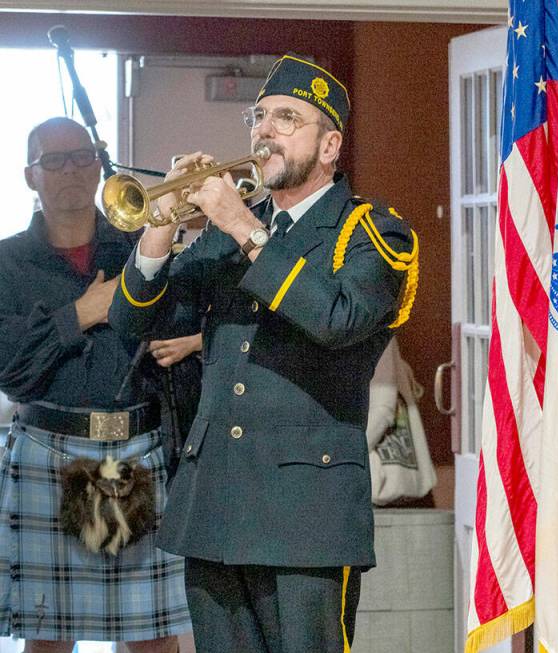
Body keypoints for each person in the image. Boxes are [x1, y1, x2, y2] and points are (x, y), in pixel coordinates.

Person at [109, 55, 419, 653]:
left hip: (308, 514)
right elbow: (133, 322)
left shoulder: (371, 233)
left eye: (286, 118)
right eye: (259, 116)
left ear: (330, 146)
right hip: (215, 504)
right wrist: (161, 226)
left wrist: (243, 230)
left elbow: (336, 318)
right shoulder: (232, 230)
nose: (264, 130)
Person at [0, 117, 192, 653]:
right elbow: (9, 368)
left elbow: (175, 336)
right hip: (46, 451)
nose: (71, 170)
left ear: (99, 163)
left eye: (82, 156)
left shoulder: (139, 250)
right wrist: (81, 313)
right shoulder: (5, 262)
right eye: (53, 160)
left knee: (154, 638)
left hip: (137, 449)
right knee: (49, 640)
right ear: (29, 176)